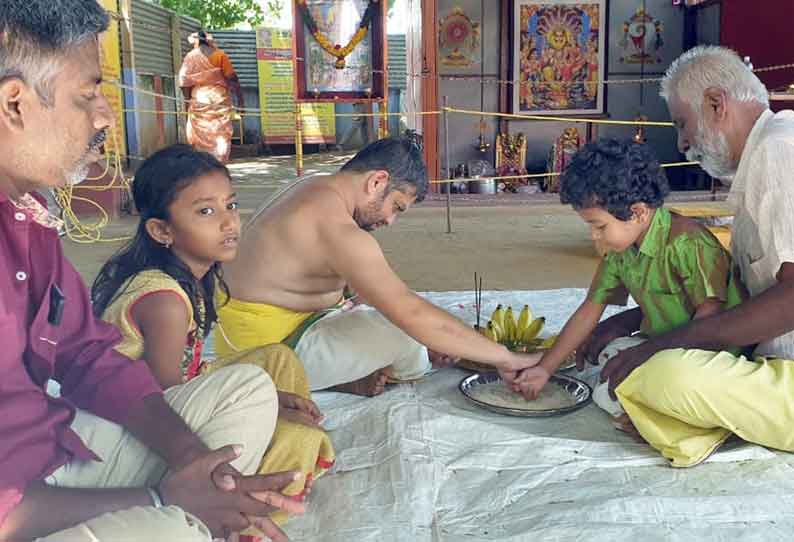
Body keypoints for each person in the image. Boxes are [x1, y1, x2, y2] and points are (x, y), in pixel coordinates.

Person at [0, 2, 302, 540]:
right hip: (19, 505)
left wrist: (200, 464)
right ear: (15, 104)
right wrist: (162, 498)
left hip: (53, 452)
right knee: (174, 528)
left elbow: (87, 355)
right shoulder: (158, 295)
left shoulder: (28, 216)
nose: (104, 117)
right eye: (87, 94)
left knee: (248, 392)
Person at [91, 144, 335, 537]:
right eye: (206, 211)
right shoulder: (163, 301)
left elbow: (186, 370)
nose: (229, 222)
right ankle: (243, 515)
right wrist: (270, 408)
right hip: (135, 435)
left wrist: (270, 395)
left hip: (170, 399)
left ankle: (261, 454)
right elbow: (167, 403)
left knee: (277, 359)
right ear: (162, 231)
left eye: (231, 205)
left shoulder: (186, 278)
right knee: (299, 437)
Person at [586, 45, 794, 468]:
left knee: (665, 376)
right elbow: (736, 297)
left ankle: (698, 428)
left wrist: (659, 347)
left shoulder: (779, 152)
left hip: (784, 380)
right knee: (627, 358)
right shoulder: (765, 155)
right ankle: (695, 417)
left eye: (683, 124)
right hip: (767, 368)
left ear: (717, 104)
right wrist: (633, 322)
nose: (682, 143)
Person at [215, 133, 539, 396]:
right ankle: (330, 379)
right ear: (377, 182)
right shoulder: (339, 230)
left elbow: (367, 290)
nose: (390, 220)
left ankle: (345, 375)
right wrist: (506, 358)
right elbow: (409, 313)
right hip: (264, 359)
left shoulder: (312, 185)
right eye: (396, 206)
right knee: (406, 338)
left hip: (263, 335)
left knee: (410, 320)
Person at [509, 139, 745, 433]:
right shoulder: (620, 252)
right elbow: (589, 311)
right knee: (609, 359)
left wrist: (651, 358)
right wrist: (545, 368)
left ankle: (673, 414)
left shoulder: (689, 244)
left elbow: (709, 326)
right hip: (659, 346)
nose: (595, 237)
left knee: (626, 383)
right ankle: (650, 403)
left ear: (638, 212)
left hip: (705, 356)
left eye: (599, 226)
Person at [178, 31, 244, 163]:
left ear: (196, 41)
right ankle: (219, 161)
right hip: (219, 98)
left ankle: (202, 164)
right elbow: (233, 79)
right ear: (208, 41)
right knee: (221, 132)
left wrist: (187, 102)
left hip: (199, 99)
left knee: (200, 133)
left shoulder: (190, 57)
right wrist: (241, 101)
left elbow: (183, 82)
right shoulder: (220, 55)